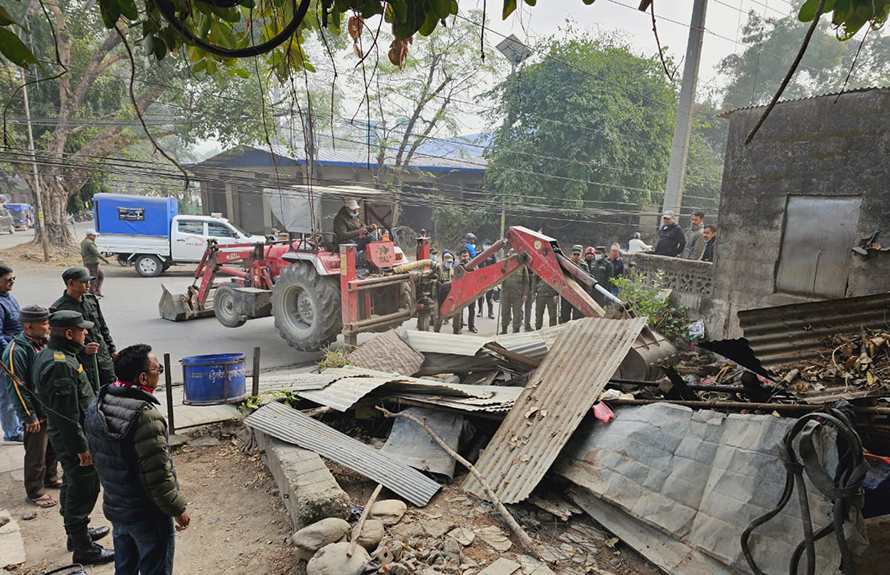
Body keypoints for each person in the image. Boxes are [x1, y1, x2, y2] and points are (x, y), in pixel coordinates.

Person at [86, 344, 190, 575]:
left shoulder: (98, 404)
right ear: (143, 377)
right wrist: (177, 508)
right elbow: (158, 474)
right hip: (147, 516)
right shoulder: (146, 417)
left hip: (118, 509)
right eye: (157, 369)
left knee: (125, 570)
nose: (159, 374)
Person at [33, 311, 113, 564]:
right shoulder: (60, 366)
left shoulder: (60, 355)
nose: (86, 333)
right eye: (81, 330)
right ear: (69, 334)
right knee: (83, 487)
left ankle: (76, 533)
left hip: (72, 436)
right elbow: (66, 416)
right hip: (75, 439)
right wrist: (82, 448)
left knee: (72, 483)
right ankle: (83, 547)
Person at [2, 305, 62, 508]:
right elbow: (16, 388)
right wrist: (28, 416)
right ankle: (35, 492)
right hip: (34, 412)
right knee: (36, 453)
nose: (48, 327)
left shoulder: (43, 343)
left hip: (49, 408)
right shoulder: (15, 351)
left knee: (52, 448)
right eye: (44, 323)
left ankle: (50, 478)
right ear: (29, 327)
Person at [51, 268, 117, 391]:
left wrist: (111, 348)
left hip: (102, 355)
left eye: (89, 281)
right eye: (84, 282)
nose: (88, 285)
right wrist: (83, 350)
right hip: (83, 360)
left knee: (112, 387)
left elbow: (102, 326)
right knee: (91, 392)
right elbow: (59, 341)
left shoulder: (91, 300)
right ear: (71, 283)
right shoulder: (59, 309)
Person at [0, 264, 23, 443]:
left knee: (16, 392)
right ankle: (12, 432)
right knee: (7, 396)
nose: (12, 282)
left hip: (15, 351)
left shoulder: (9, 298)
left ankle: (17, 425)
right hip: (6, 356)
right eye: (8, 280)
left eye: (13, 278)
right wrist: (9, 353)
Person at [498, 253, 528, 334]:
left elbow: (526, 282)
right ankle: (504, 330)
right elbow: (499, 276)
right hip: (506, 293)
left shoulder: (522, 266)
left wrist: (525, 294)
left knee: (517, 314)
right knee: (505, 313)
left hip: (518, 294)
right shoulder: (505, 264)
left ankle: (516, 331)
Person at [560, 245, 588, 324]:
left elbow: (587, 281)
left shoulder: (584, 266)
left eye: (578, 255)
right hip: (566, 294)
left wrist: (586, 295)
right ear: (570, 255)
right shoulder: (564, 264)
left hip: (579, 294)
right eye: (574, 254)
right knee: (565, 316)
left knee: (577, 317)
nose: (576, 257)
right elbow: (559, 278)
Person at [453, 248, 477, 334]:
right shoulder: (456, 265)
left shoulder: (474, 264)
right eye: (463, 256)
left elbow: (477, 274)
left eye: (467, 256)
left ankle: (471, 326)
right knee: (460, 310)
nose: (466, 258)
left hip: (471, 290)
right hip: (461, 291)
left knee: (472, 309)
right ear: (460, 256)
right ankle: (459, 326)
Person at [81, 230, 109, 298]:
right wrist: (106, 260)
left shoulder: (83, 242)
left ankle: (97, 291)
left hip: (88, 261)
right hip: (92, 262)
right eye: (93, 235)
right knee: (94, 278)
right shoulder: (89, 243)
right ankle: (92, 292)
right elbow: (96, 253)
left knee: (100, 276)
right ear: (89, 235)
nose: (95, 237)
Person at [432, 252, 454, 333]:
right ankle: (436, 331)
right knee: (440, 314)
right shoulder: (439, 269)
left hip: (450, 293)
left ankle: (457, 330)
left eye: (451, 262)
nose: (450, 264)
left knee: (456, 312)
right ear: (443, 261)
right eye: (448, 262)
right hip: (441, 294)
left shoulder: (451, 269)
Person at [476, 240, 496, 319]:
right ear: (483, 245)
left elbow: (495, 266)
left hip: (489, 278)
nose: (487, 246)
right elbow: (475, 265)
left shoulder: (492, 255)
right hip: (480, 278)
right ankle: (480, 311)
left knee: (489, 296)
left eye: (488, 244)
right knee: (480, 296)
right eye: (486, 244)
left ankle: (490, 312)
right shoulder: (479, 254)